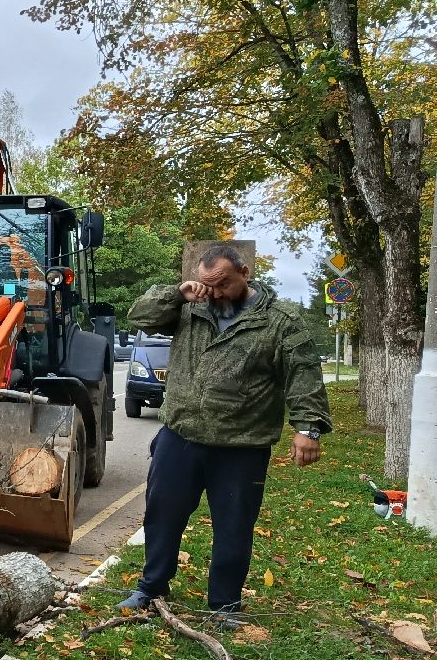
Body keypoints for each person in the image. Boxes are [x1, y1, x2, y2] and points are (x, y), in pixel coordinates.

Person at [119, 243, 331, 625]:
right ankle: (151, 588)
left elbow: (303, 372)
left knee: (234, 526)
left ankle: (224, 605)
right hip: (180, 436)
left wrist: (308, 427)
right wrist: (177, 293)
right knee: (162, 514)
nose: (215, 293)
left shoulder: (279, 320)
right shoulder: (190, 308)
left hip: (241, 445)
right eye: (208, 284)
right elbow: (140, 316)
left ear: (244, 273)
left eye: (223, 284)